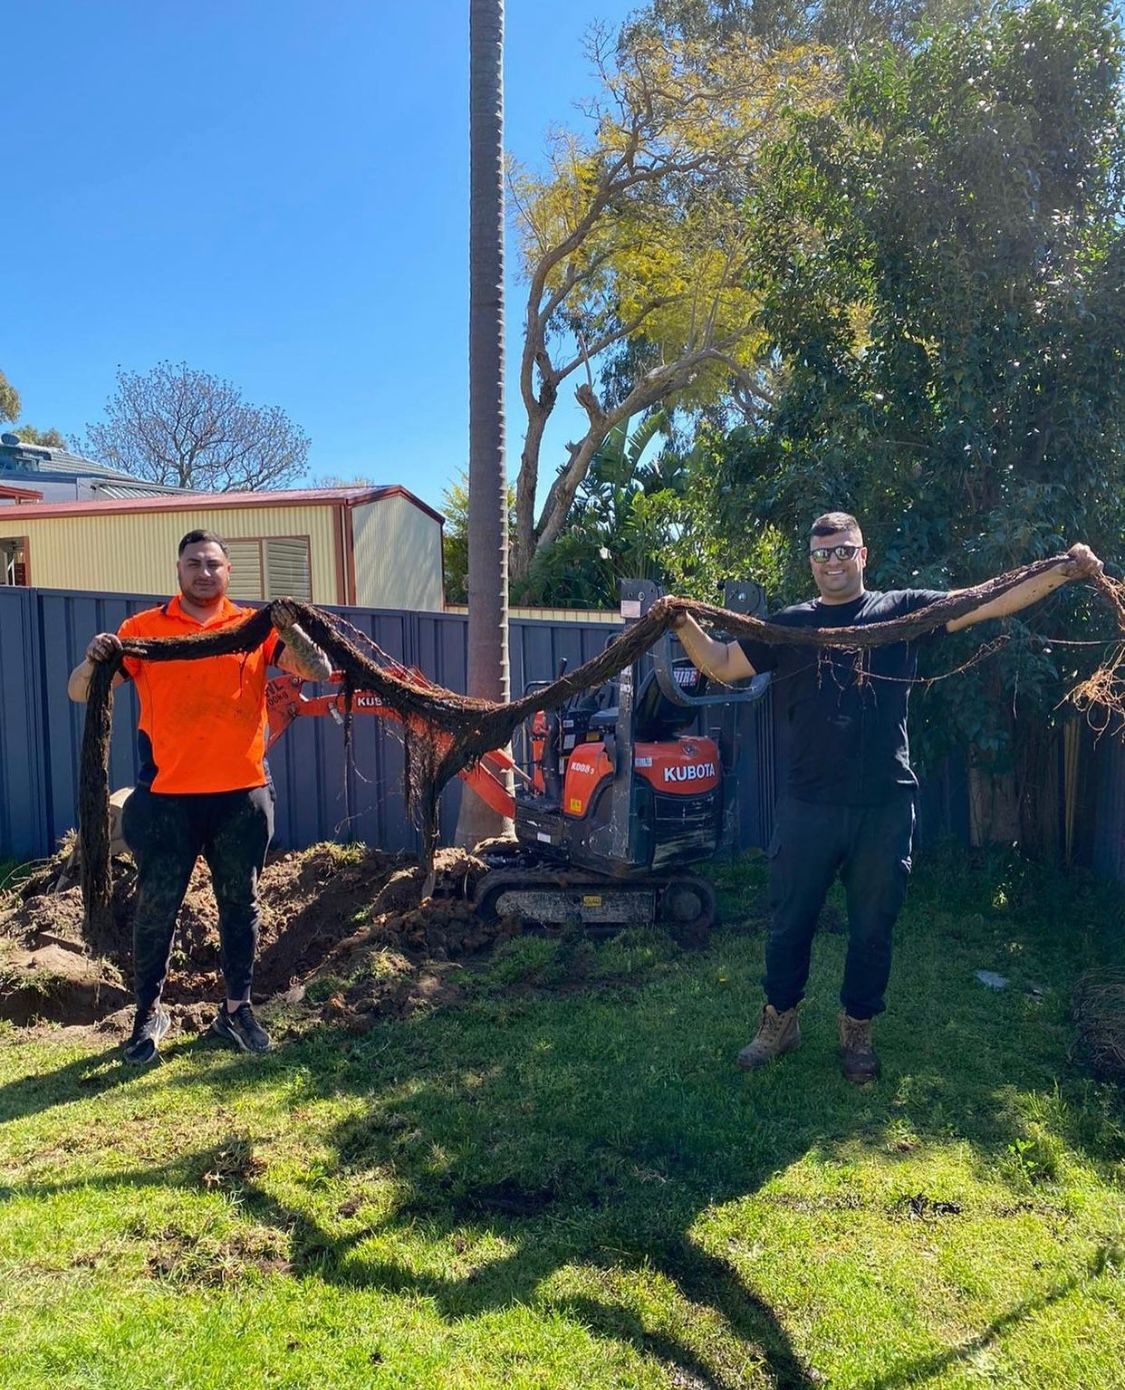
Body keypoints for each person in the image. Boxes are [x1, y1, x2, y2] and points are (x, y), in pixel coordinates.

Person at [673, 512, 1103, 1084]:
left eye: (843, 551)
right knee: (789, 923)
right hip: (808, 805)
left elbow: (986, 601)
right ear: (810, 561)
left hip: (884, 805)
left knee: (873, 928)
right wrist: (679, 621)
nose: (832, 562)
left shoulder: (900, 613)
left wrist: (1061, 572)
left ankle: (857, 1028)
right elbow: (723, 665)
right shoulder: (790, 626)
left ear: (863, 555)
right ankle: (779, 1022)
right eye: (821, 553)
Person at [68, 529, 332, 1065]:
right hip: (166, 800)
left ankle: (237, 1010)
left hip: (242, 798)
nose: (204, 572)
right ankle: (148, 1015)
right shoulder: (143, 630)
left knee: (240, 904)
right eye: (194, 563)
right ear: (179, 570)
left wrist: (289, 627)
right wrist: (95, 659)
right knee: (156, 907)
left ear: (228, 571)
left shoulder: (253, 627)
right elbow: (79, 691)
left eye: (214, 564)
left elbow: (318, 670)